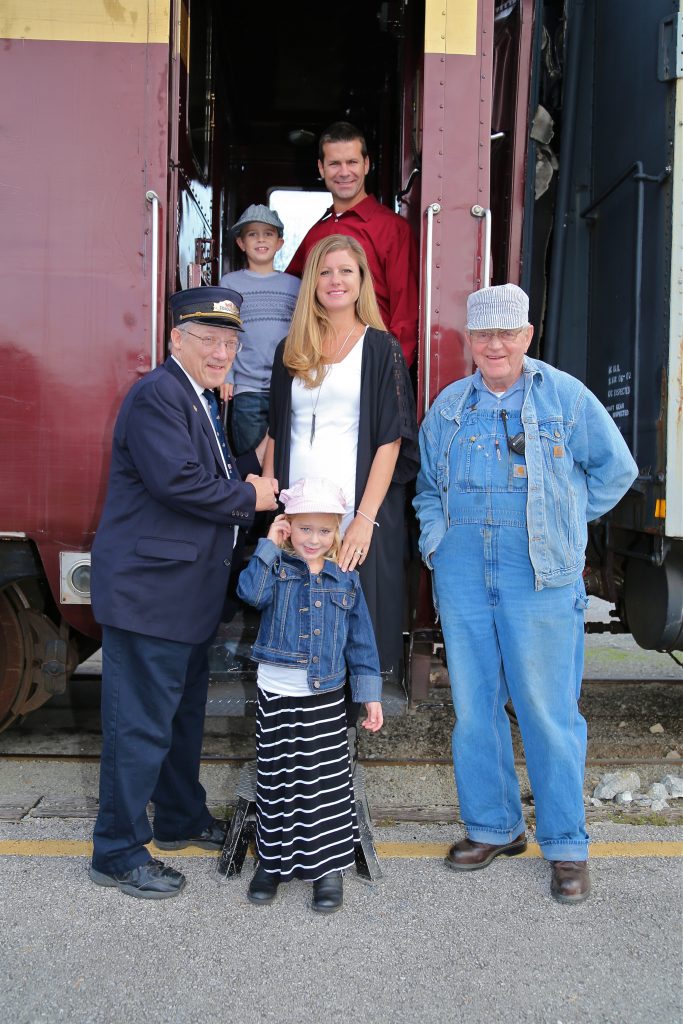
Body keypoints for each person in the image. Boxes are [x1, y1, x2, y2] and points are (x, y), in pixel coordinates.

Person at [413, 284, 638, 905]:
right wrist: (437, 540)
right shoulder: (451, 405)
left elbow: (616, 470)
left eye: (507, 333)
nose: (496, 345)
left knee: (546, 708)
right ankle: (494, 827)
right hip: (461, 568)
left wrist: (567, 521)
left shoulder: (564, 396)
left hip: (539, 571)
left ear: (527, 335)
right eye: (484, 334)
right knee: (474, 706)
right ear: (470, 341)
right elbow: (427, 487)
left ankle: (566, 844)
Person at [89, 286, 279, 900]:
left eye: (230, 342)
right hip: (152, 596)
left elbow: (214, 474)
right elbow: (179, 483)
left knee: (180, 720)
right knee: (140, 725)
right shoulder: (158, 395)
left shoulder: (196, 397)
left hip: (182, 597)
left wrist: (252, 473)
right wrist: (252, 496)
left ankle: (178, 818)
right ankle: (116, 850)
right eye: (209, 340)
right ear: (176, 339)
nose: (222, 351)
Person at [264, 234, 419, 689]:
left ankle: (343, 735)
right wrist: (275, 508)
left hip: (353, 512)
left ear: (361, 280)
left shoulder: (381, 348)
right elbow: (277, 430)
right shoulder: (290, 351)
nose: (335, 280)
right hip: (299, 514)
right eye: (326, 272)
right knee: (297, 628)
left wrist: (364, 520)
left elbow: (391, 440)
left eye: (345, 271)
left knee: (350, 633)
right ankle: (303, 723)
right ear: (313, 282)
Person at [236, 477, 383, 913]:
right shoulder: (276, 570)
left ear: (336, 531)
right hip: (276, 694)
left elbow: (362, 643)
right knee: (277, 778)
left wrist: (370, 694)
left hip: (323, 697)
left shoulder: (345, 580)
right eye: (304, 529)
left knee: (323, 783)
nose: (313, 540)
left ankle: (327, 868)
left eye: (323, 530)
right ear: (288, 526)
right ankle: (272, 863)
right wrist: (267, 542)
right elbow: (249, 594)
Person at [286, 121, 419, 367]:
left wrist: (394, 372)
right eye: (335, 163)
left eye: (352, 162)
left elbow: (406, 312)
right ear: (321, 168)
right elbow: (290, 294)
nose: (344, 172)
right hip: (317, 361)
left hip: (371, 362)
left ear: (366, 164)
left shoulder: (392, 229)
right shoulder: (316, 234)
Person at [219, 204, 300, 454]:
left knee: (285, 459)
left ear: (280, 243)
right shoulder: (230, 284)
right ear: (241, 243)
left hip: (288, 387)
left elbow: (303, 333)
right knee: (252, 458)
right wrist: (226, 375)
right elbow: (224, 332)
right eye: (252, 234)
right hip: (247, 390)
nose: (261, 239)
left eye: (268, 233)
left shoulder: (294, 285)